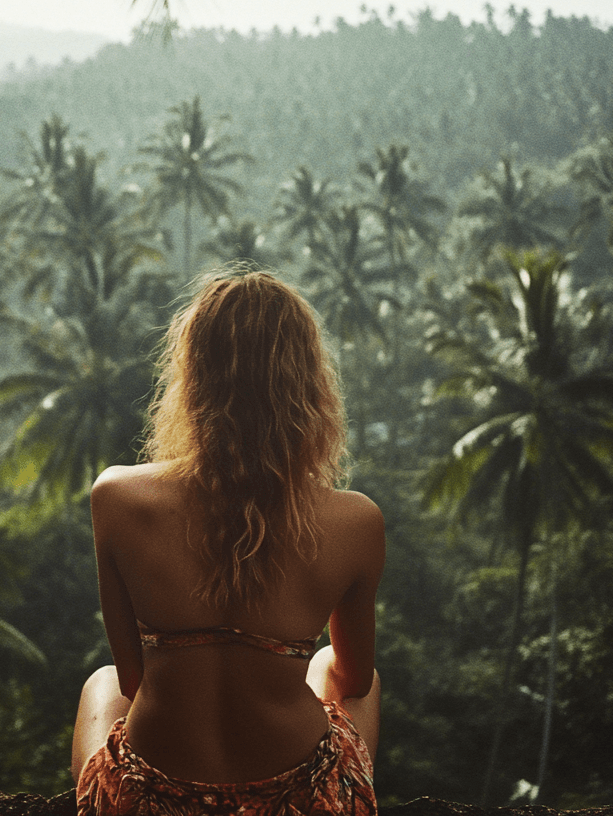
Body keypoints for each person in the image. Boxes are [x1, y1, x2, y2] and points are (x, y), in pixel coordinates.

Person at [71, 271, 385, 815]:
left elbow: (132, 678)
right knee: (338, 663)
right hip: (297, 797)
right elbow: (353, 679)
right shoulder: (354, 520)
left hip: (156, 794)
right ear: (307, 386)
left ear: (193, 375)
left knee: (102, 684)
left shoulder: (117, 496)